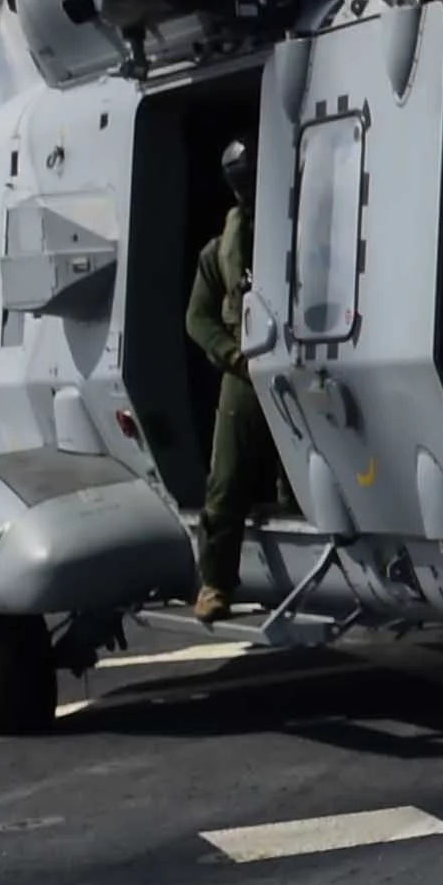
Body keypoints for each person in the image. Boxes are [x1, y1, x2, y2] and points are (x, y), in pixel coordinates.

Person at [185, 137, 273, 617]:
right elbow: (197, 319)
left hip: (301, 362)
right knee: (227, 478)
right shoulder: (220, 253)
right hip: (247, 370)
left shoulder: (300, 233)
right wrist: (232, 355)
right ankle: (215, 583)